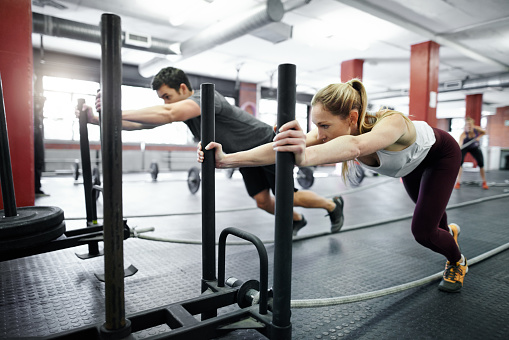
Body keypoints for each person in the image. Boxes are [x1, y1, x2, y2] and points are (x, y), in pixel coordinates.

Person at [199, 79, 467, 293]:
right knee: (435, 222)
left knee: (423, 231)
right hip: (409, 166)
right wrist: (226, 160)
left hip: (440, 156)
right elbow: (280, 149)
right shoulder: (331, 129)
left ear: (352, 118)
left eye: (325, 125)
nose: (320, 134)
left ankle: (457, 262)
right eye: (317, 125)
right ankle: (447, 234)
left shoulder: (392, 123)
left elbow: (355, 146)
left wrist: (303, 157)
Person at [89, 67, 344, 235]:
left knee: (289, 197)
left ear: (183, 88)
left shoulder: (206, 98)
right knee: (263, 202)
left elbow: (167, 113)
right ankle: (297, 220)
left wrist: (114, 108)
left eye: (167, 96)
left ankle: (332, 205)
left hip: (267, 144)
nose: (165, 103)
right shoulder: (187, 115)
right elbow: (141, 125)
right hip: (244, 158)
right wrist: (98, 119)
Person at [454, 117, 488, 190]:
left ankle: (484, 182)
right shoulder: (463, 134)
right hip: (465, 147)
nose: (468, 126)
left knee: (481, 163)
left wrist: (479, 137)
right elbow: (460, 144)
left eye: (470, 125)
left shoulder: (477, 129)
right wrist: (458, 148)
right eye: (467, 125)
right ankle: (458, 182)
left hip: (474, 147)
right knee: (460, 163)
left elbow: (484, 132)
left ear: (473, 125)